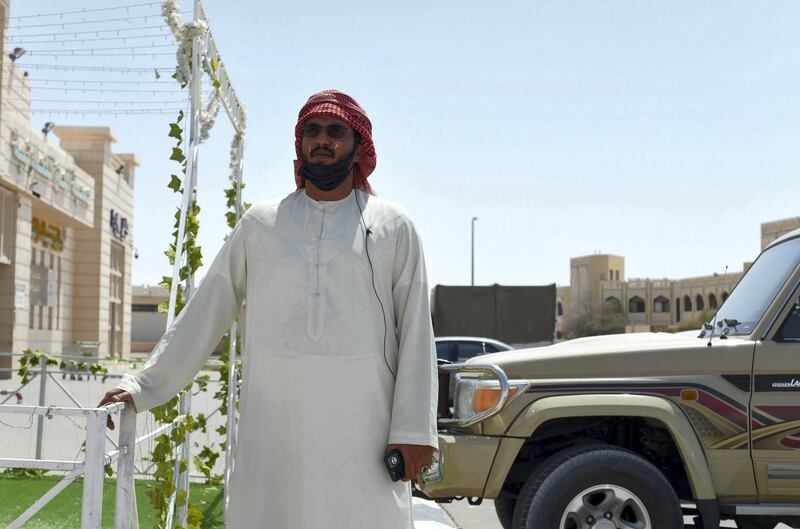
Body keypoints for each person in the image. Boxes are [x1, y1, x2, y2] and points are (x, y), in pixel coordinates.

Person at [99, 90, 438, 528]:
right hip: (276, 424)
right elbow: (207, 310)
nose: (323, 140)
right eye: (312, 131)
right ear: (299, 145)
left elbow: (416, 334)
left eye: (336, 132)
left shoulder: (393, 226)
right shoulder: (261, 223)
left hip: (363, 428)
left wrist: (413, 432)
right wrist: (143, 385)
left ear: (358, 147)